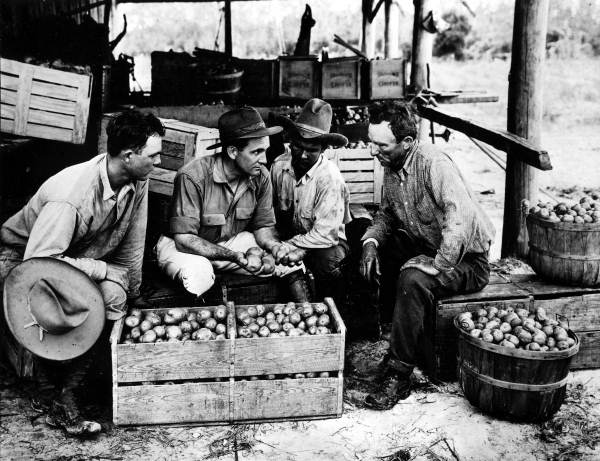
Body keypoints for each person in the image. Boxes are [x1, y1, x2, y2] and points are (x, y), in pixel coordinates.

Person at [0, 109, 165, 434]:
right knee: (58, 312)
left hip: (73, 259)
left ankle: (71, 388)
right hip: (22, 261)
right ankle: (47, 392)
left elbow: (134, 239)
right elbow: (39, 265)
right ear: (129, 156)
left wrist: (131, 289)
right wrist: (101, 268)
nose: (158, 162)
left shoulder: (137, 178)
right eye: (154, 155)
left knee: (115, 295)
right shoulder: (72, 196)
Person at [360, 101, 495, 410]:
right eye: (371, 143)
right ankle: (397, 342)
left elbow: (457, 219)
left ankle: (400, 373)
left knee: (413, 278)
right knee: (386, 252)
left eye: (380, 145)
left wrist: (438, 265)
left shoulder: (434, 164)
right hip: (430, 247)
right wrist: (371, 243)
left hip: (467, 261)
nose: (372, 152)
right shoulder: (392, 167)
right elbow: (386, 217)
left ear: (407, 142)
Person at [155, 106, 310, 301]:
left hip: (229, 244)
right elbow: (184, 239)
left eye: (265, 151)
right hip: (182, 247)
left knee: (289, 263)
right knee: (199, 273)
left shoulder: (261, 176)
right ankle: (207, 323)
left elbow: (263, 227)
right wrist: (232, 255)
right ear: (233, 151)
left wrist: (274, 246)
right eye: (257, 152)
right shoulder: (193, 176)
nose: (264, 160)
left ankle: (308, 315)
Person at [271, 98, 351, 304]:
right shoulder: (279, 167)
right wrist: (277, 245)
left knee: (328, 262)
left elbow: (325, 234)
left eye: (312, 150)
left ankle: (333, 311)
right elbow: (268, 212)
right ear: (290, 142)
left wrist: (293, 247)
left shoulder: (329, 178)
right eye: (298, 147)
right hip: (290, 237)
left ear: (324, 149)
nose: (304, 155)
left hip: (326, 242)